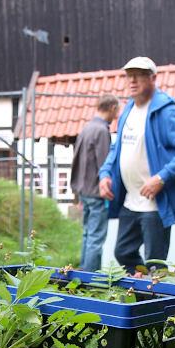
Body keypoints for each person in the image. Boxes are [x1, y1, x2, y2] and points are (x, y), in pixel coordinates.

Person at [99, 57, 175, 274]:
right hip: (131, 199)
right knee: (123, 252)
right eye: (129, 76)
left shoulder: (165, 110)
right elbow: (116, 148)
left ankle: (152, 301)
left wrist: (161, 177)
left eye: (139, 75)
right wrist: (105, 173)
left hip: (156, 204)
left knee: (156, 262)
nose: (133, 81)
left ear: (153, 78)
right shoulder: (127, 109)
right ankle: (141, 288)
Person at [72, 94, 120, 272]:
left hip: (84, 191)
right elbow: (105, 164)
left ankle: (83, 274)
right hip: (96, 191)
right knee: (96, 237)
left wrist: (77, 194)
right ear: (113, 108)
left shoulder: (86, 128)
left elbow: (76, 161)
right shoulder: (101, 130)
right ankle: (91, 280)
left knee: (87, 234)